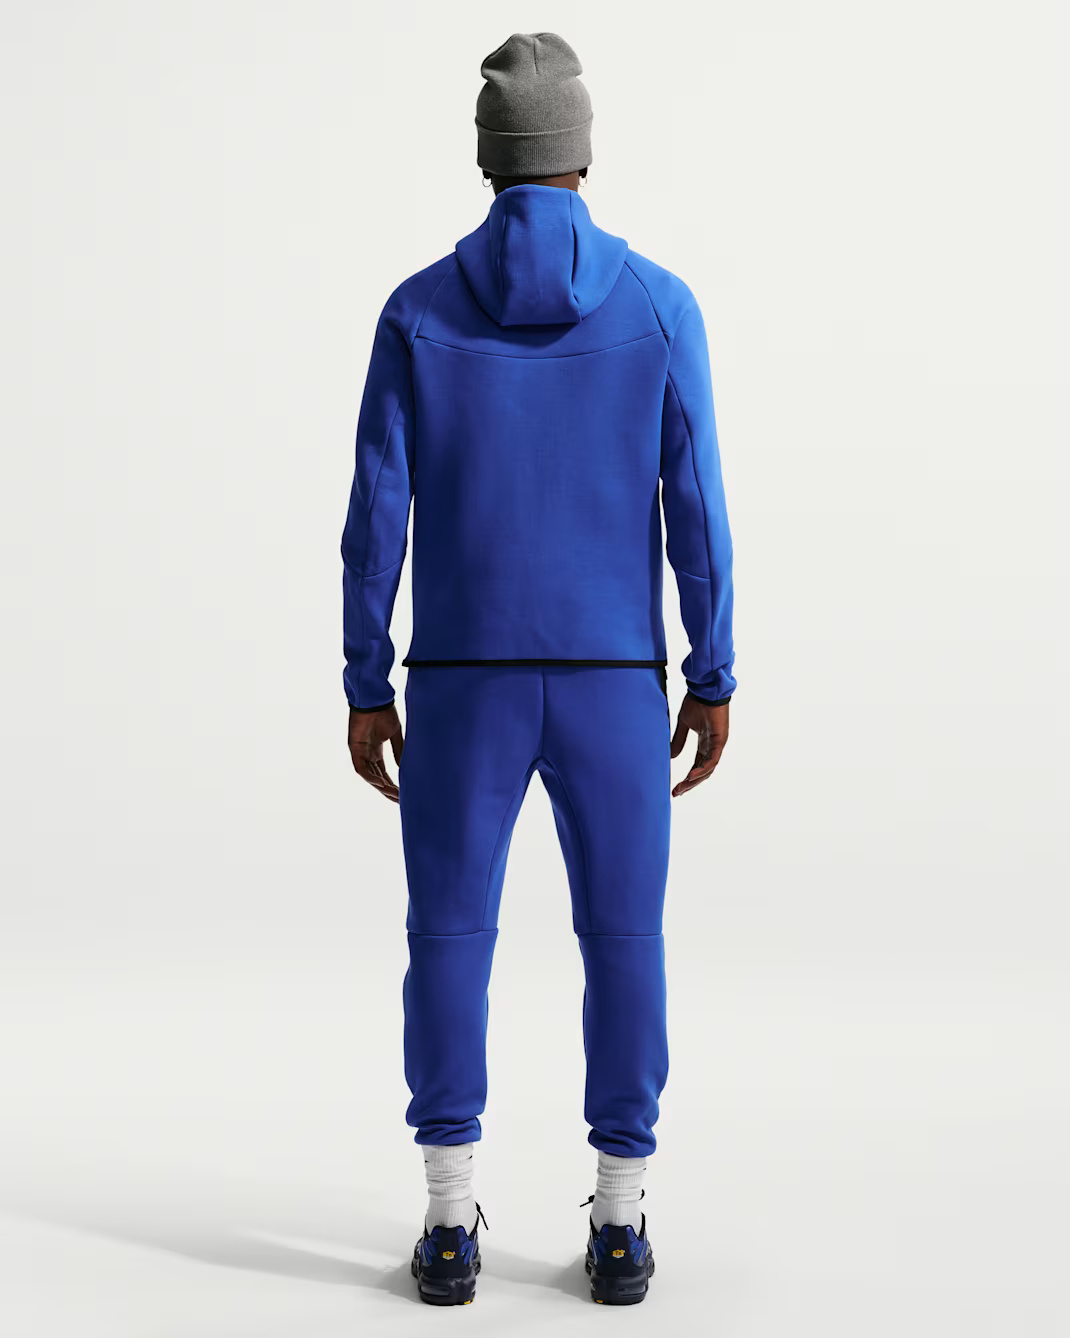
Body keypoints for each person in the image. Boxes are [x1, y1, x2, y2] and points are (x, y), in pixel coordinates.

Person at [341, 31, 735, 1307]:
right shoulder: (657, 306)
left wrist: (365, 681)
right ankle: (618, 1222)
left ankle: (447, 1221)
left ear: (486, 160)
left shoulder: (417, 310)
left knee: (448, 937)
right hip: (615, 677)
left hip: (461, 678)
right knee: (623, 940)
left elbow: (376, 515)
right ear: (581, 154)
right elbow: (695, 506)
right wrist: (712, 670)